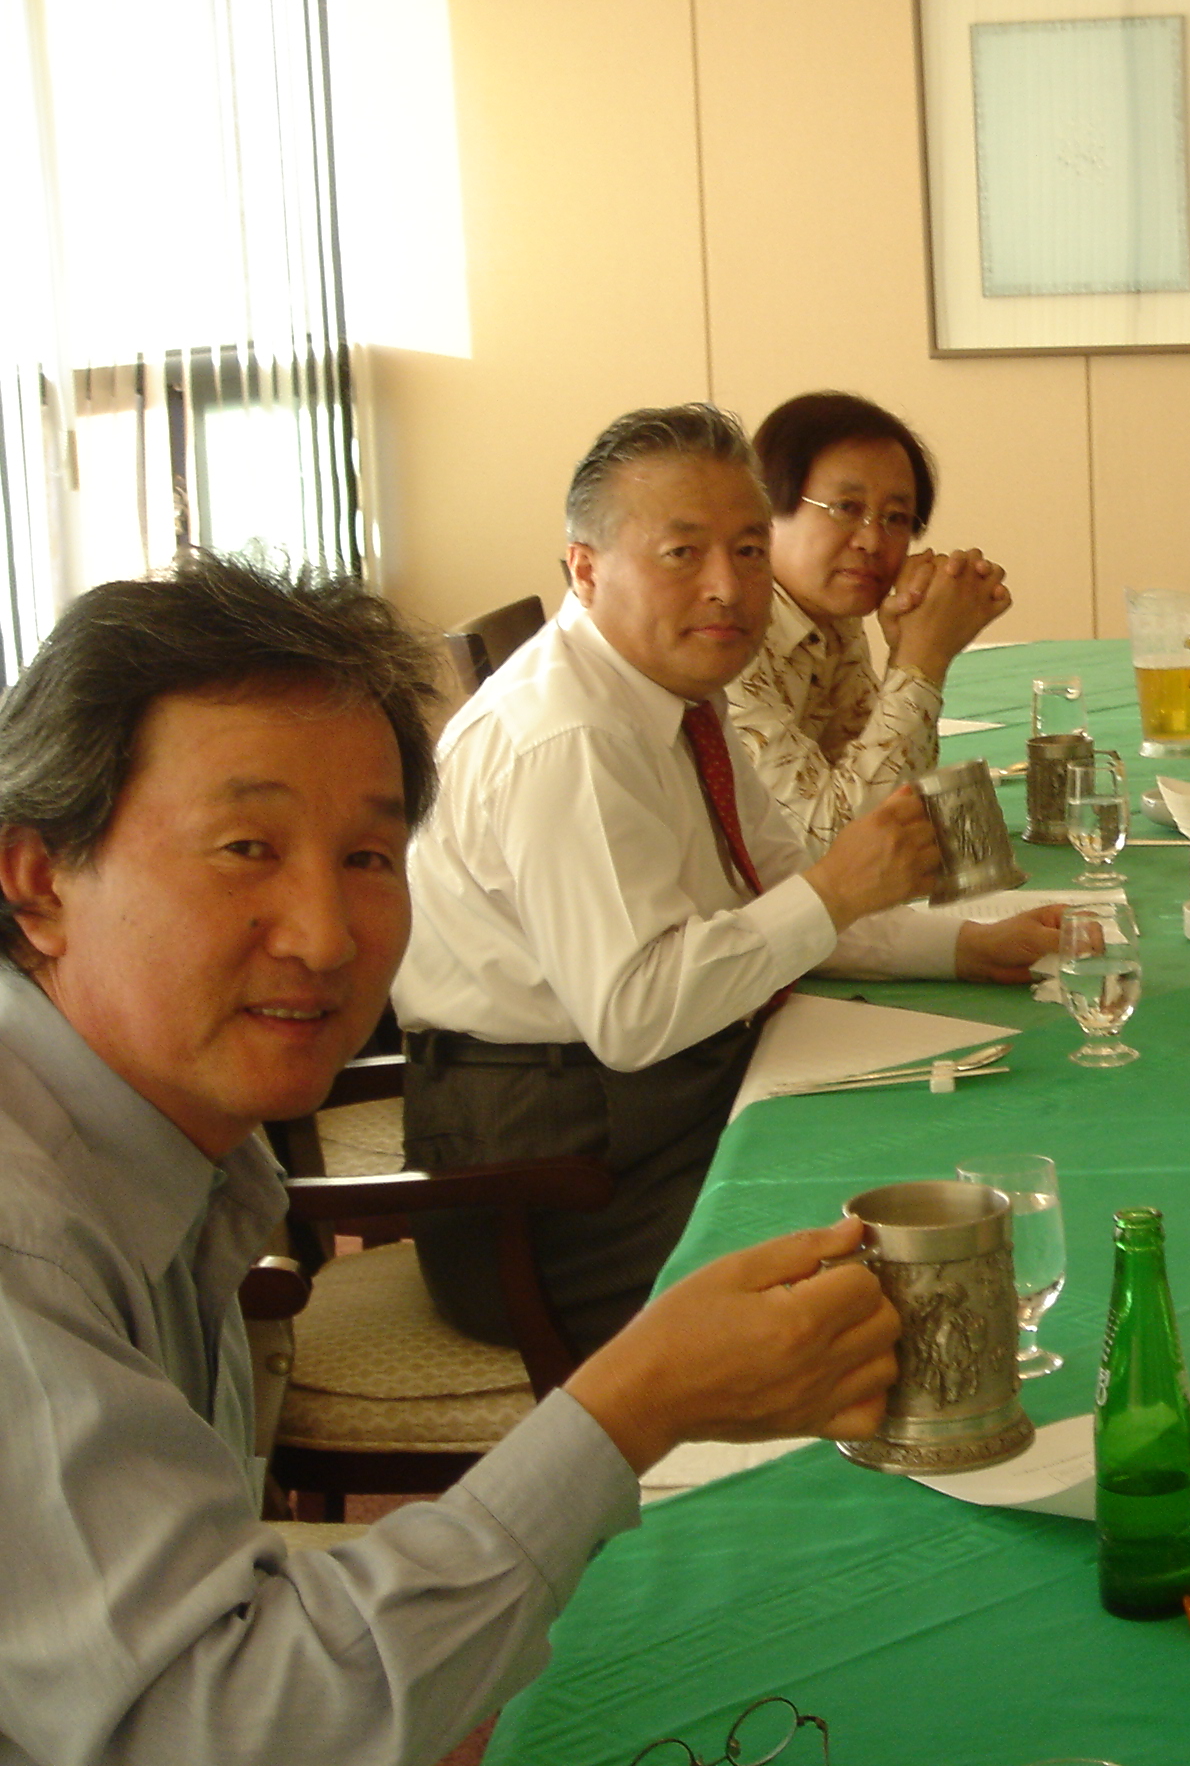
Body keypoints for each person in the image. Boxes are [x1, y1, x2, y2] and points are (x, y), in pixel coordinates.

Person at [0, 553, 903, 1766]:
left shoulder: (163, 1134)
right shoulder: (24, 1244)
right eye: (246, 849)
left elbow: (199, 1664)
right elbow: (218, 1747)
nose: (325, 934)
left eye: (371, 855)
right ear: (38, 880)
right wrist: (635, 1402)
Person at [394, 404, 1057, 1357]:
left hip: (661, 1103)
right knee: (916, 1271)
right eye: (682, 553)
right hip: (550, 1185)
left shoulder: (670, 691)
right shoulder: (570, 737)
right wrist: (836, 891)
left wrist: (966, 946)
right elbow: (636, 1013)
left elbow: (777, 889)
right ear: (584, 568)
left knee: (959, 1153)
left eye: (748, 552)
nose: (728, 587)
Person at [730, 390, 1013, 848]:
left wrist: (907, 650)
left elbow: (882, 790)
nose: (872, 541)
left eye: (896, 518)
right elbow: (839, 842)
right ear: (765, 507)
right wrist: (922, 662)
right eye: (847, 508)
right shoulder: (727, 636)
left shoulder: (833, 618)